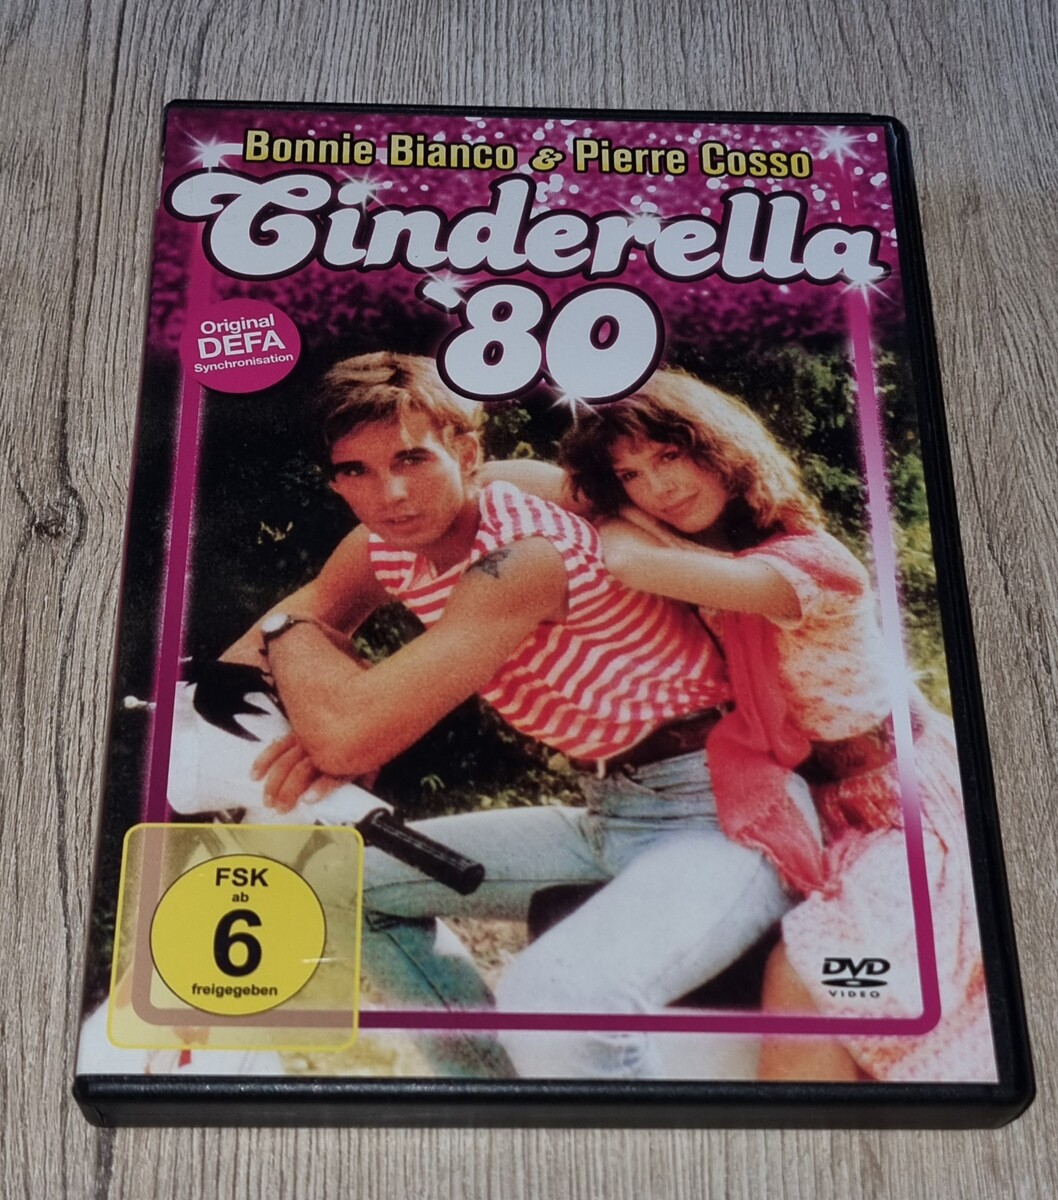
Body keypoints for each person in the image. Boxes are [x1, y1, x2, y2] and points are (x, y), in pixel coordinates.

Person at [222, 352, 807, 1080]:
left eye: (412, 459)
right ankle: (490, 1095)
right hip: (611, 809)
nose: (390, 493)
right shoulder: (387, 544)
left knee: (558, 1002)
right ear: (335, 481)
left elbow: (344, 731)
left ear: (467, 453)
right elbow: (254, 664)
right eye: (356, 471)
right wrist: (288, 694)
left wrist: (290, 640)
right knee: (335, 880)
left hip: (719, 810)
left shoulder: (524, 556)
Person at [539, 367, 994, 1084]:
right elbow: (515, 479)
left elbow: (625, 561)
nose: (658, 486)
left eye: (670, 454)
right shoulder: (715, 559)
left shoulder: (805, 566)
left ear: (720, 448)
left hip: (902, 806)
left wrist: (613, 511)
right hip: (820, 804)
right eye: (630, 475)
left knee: (815, 972)